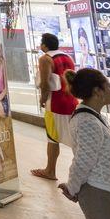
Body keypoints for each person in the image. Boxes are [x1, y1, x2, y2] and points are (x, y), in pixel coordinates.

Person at [58, 68, 110, 219]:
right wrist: (72, 187)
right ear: (97, 91)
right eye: (108, 86)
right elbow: (83, 161)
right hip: (99, 193)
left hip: (108, 191)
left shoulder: (95, 117)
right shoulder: (87, 121)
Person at [31, 33, 77, 181]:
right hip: (71, 101)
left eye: (41, 43)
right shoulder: (67, 57)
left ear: (45, 45)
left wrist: (42, 99)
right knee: (75, 139)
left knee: (52, 138)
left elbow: (45, 82)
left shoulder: (45, 59)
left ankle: (50, 170)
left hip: (55, 103)